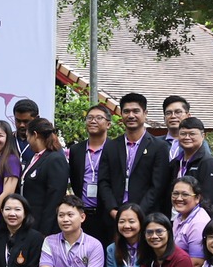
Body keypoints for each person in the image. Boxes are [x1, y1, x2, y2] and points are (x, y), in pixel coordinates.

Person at [108, 92, 172, 217]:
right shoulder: (111, 146)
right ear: (121, 114)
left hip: (146, 215)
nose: (131, 115)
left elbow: (157, 186)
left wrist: (138, 213)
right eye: (126, 111)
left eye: (136, 111)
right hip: (115, 215)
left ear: (145, 113)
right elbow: (104, 181)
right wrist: (112, 209)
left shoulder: (159, 147)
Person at [68, 103, 116, 242]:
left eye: (98, 118)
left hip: (106, 213)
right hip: (83, 214)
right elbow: (75, 179)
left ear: (108, 124)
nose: (93, 121)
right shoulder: (76, 150)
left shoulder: (115, 149)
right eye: (90, 118)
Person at [17, 118, 68, 234]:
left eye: (28, 136)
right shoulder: (34, 157)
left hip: (41, 226)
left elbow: (54, 198)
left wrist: (44, 231)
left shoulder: (55, 159)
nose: (27, 141)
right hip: (28, 222)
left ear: (35, 135)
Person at [168, 117, 213, 210]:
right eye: (183, 134)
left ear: (203, 136)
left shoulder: (208, 163)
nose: (187, 137)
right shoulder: (175, 162)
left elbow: (210, 198)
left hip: (198, 218)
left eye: (192, 134)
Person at [166, 177, 210, 260]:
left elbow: (197, 263)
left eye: (185, 194)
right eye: (175, 194)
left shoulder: (198, 223)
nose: (179, 198)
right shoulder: (180, 216)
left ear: (197, 198)